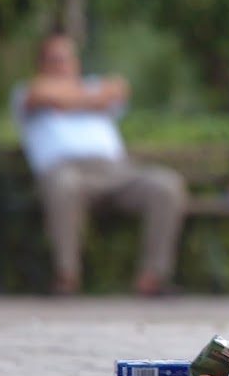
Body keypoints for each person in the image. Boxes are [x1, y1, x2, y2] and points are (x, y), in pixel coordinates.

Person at [14, 32, 189, 297]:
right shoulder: (24, 91)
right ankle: (67, 277)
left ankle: (153, 278)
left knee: (166, 185)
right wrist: (89, 100)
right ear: (42, 65)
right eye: (55, 60)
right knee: (63, 185)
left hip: (115, 172)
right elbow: (40, 94)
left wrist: (67, 100)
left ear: (76, 63)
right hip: (66, 171)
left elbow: (118, 87)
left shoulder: (94, 84)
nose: (62, 65)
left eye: (67, 59)